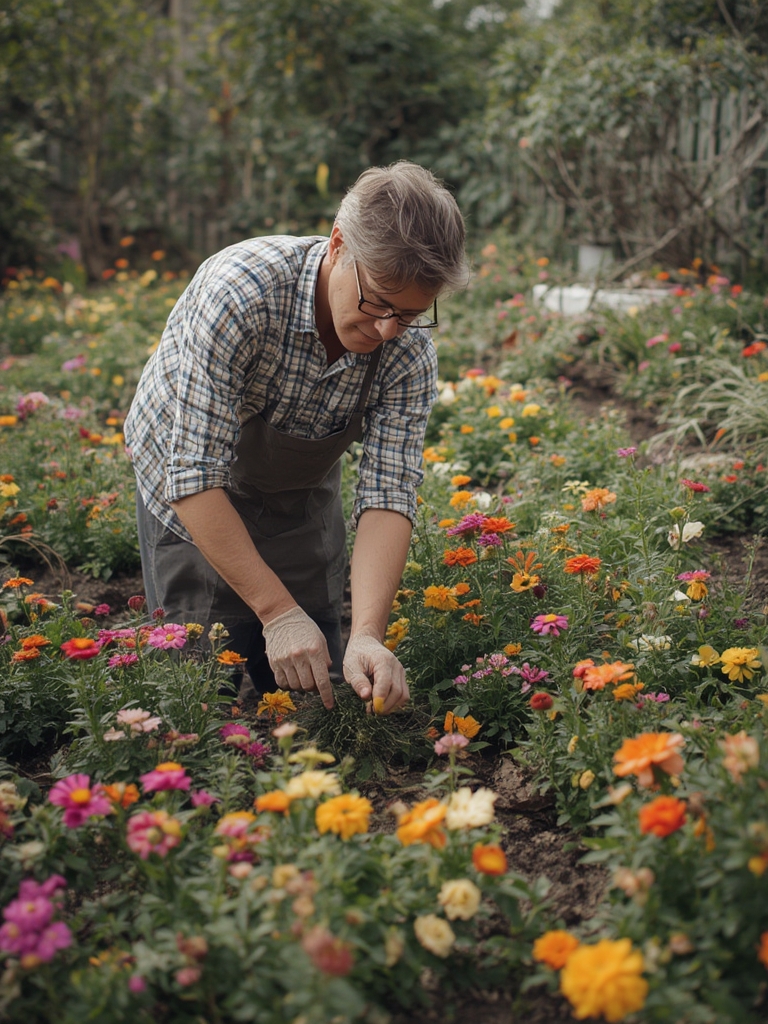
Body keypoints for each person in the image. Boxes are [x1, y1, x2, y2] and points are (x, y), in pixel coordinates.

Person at [124, 161, 467, 714]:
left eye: (408, 314)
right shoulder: (243, 294)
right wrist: (278, 613)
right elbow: (192, 477)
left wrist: (368, 634)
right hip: (191, 491)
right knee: (194, 696)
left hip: (298, 492)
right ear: (337, 246)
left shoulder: (407, 349)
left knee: (323, 692)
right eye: (377, 301)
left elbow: (389, 495)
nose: (387, 330)